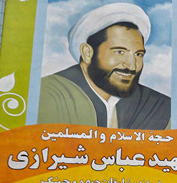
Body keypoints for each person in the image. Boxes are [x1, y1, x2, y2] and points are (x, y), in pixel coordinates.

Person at [38, 3, 170, 130]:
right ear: (87, 53)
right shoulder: (49, 94)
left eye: (138, 54)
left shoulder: (157, 106)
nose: (131, 65)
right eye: (120, 52)